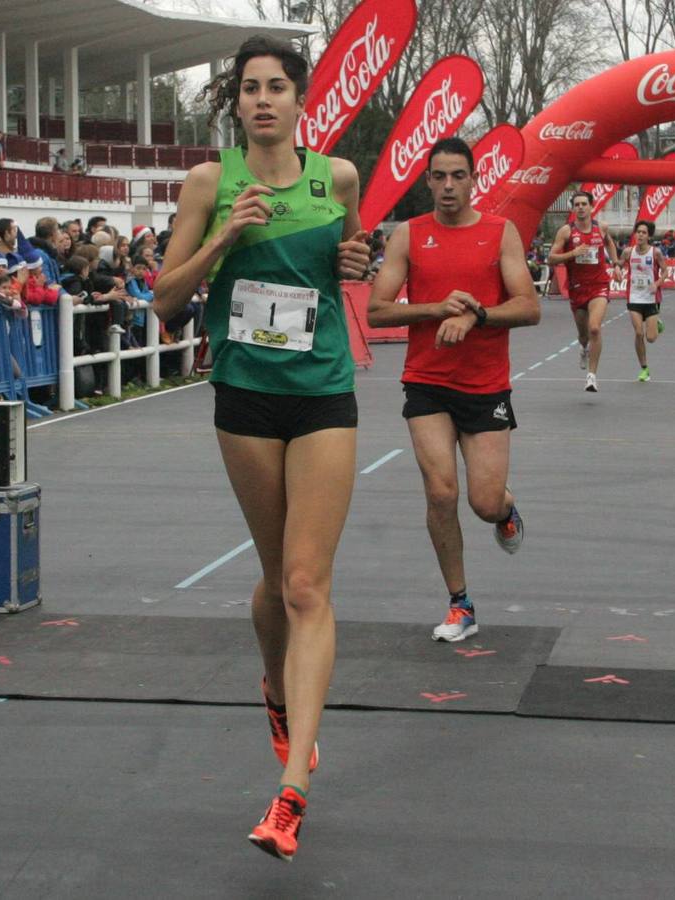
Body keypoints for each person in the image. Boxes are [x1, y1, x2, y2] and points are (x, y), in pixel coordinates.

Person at [150, 35, 370, 863]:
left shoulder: (335, 176)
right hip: (244, 397)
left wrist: (355, 258)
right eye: (249, 89)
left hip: (322, 395)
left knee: (308, 584)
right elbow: (164, 300)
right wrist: (221, 241)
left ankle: (291, 791)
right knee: (275, 583)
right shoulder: (210, 183)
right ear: (234, 103)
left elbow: (348, 261)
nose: (263, 100)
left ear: (300, 98)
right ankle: (276, 690)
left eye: (277, 86)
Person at [366, 136, 540, 647]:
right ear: (428, 181)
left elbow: (528, 307)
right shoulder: (410, 235)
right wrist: (435, 308)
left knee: (482, 502)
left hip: (486, 386)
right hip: (426, 382)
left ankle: (505, 511)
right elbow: (376, 310)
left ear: (473, 178)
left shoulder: (500, 232)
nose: (447, 186)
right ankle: (460, 603)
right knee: (441, 491)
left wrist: (477, 315)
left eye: (457, 176)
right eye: (438, 177)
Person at [548, 191, 621, 392]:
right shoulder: (566, 232)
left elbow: (609, 243)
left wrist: (615, 264)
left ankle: (592, 376)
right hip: (577, 288)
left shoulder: (601, 228)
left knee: (595, 328)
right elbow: (551, 258)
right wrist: (572, 253)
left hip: (599, 285)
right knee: (583, 334)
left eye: (584, 204)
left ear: (591, 207)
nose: (580, 207)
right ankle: (583, 347)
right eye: (577, 204)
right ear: (573, 208)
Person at [617, 220, 666, 382]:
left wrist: (657, 283)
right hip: (634, 297)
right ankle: (644, 368)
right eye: (638, 232)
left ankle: (657, 323)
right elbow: (618, 264)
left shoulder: (656, 253)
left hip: (651, 298)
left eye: (644, 232)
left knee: (651, 338)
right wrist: (616, 270)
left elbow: (665, 271)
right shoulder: (628, 252)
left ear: (648, 236)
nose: (640, 235)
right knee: (639, 333)